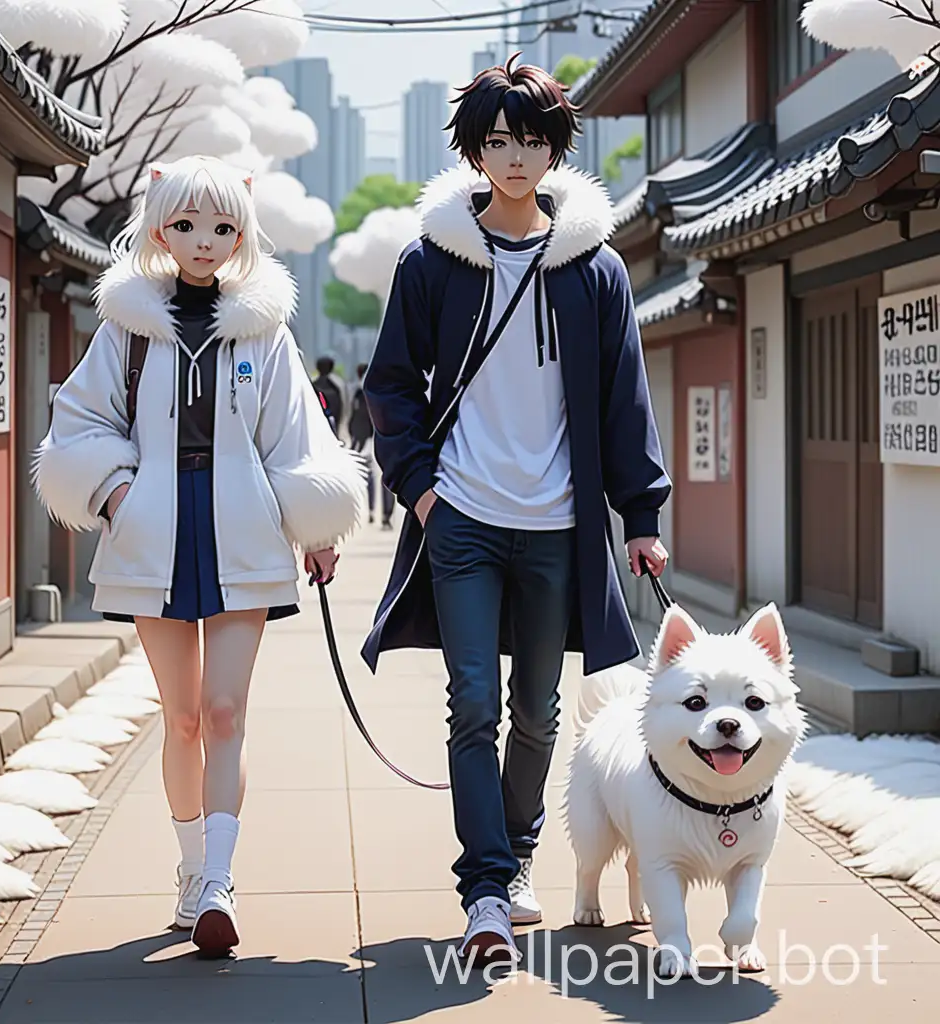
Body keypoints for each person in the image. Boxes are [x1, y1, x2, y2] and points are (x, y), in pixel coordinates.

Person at [359, 54, 671, 966]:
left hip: (558, 526)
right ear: (474, 150)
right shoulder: (433, 263)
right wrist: (421, 489)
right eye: (498, 141)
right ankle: (487, 888)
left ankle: (520, 853)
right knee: (472, 705)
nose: (515, 157)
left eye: (531, 139)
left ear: (554, 147)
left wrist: (640, 513)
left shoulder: (593, 268)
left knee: (538, 710)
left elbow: (625, 398)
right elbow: (389, 385)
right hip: (462, 519)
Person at [31, 155, 366, 958]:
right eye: (186, 226)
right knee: (180, 720)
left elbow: (293, 435)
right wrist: (115, 495)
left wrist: (315, 527)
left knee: (224, 716)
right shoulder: (127, 328)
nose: (204, 241)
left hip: (241, 536)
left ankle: (219, 880)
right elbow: (78, 422)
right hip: (155, 539)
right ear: (159, 230)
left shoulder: (262, 327)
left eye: (221, 228)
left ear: (242, 234)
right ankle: (189, 872)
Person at [349, 362, 395, 529]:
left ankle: (372, 511)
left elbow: (354, 420)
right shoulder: (385, 391)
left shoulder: (359, 394)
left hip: (367, 441)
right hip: (382, 440)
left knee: (371, 479)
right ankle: (385, 515)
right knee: (385, 480)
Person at [312, 355, 348, 435]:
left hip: (318, 423)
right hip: (334, 422)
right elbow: (345, 404)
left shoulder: (312, 383)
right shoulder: (339, 384)